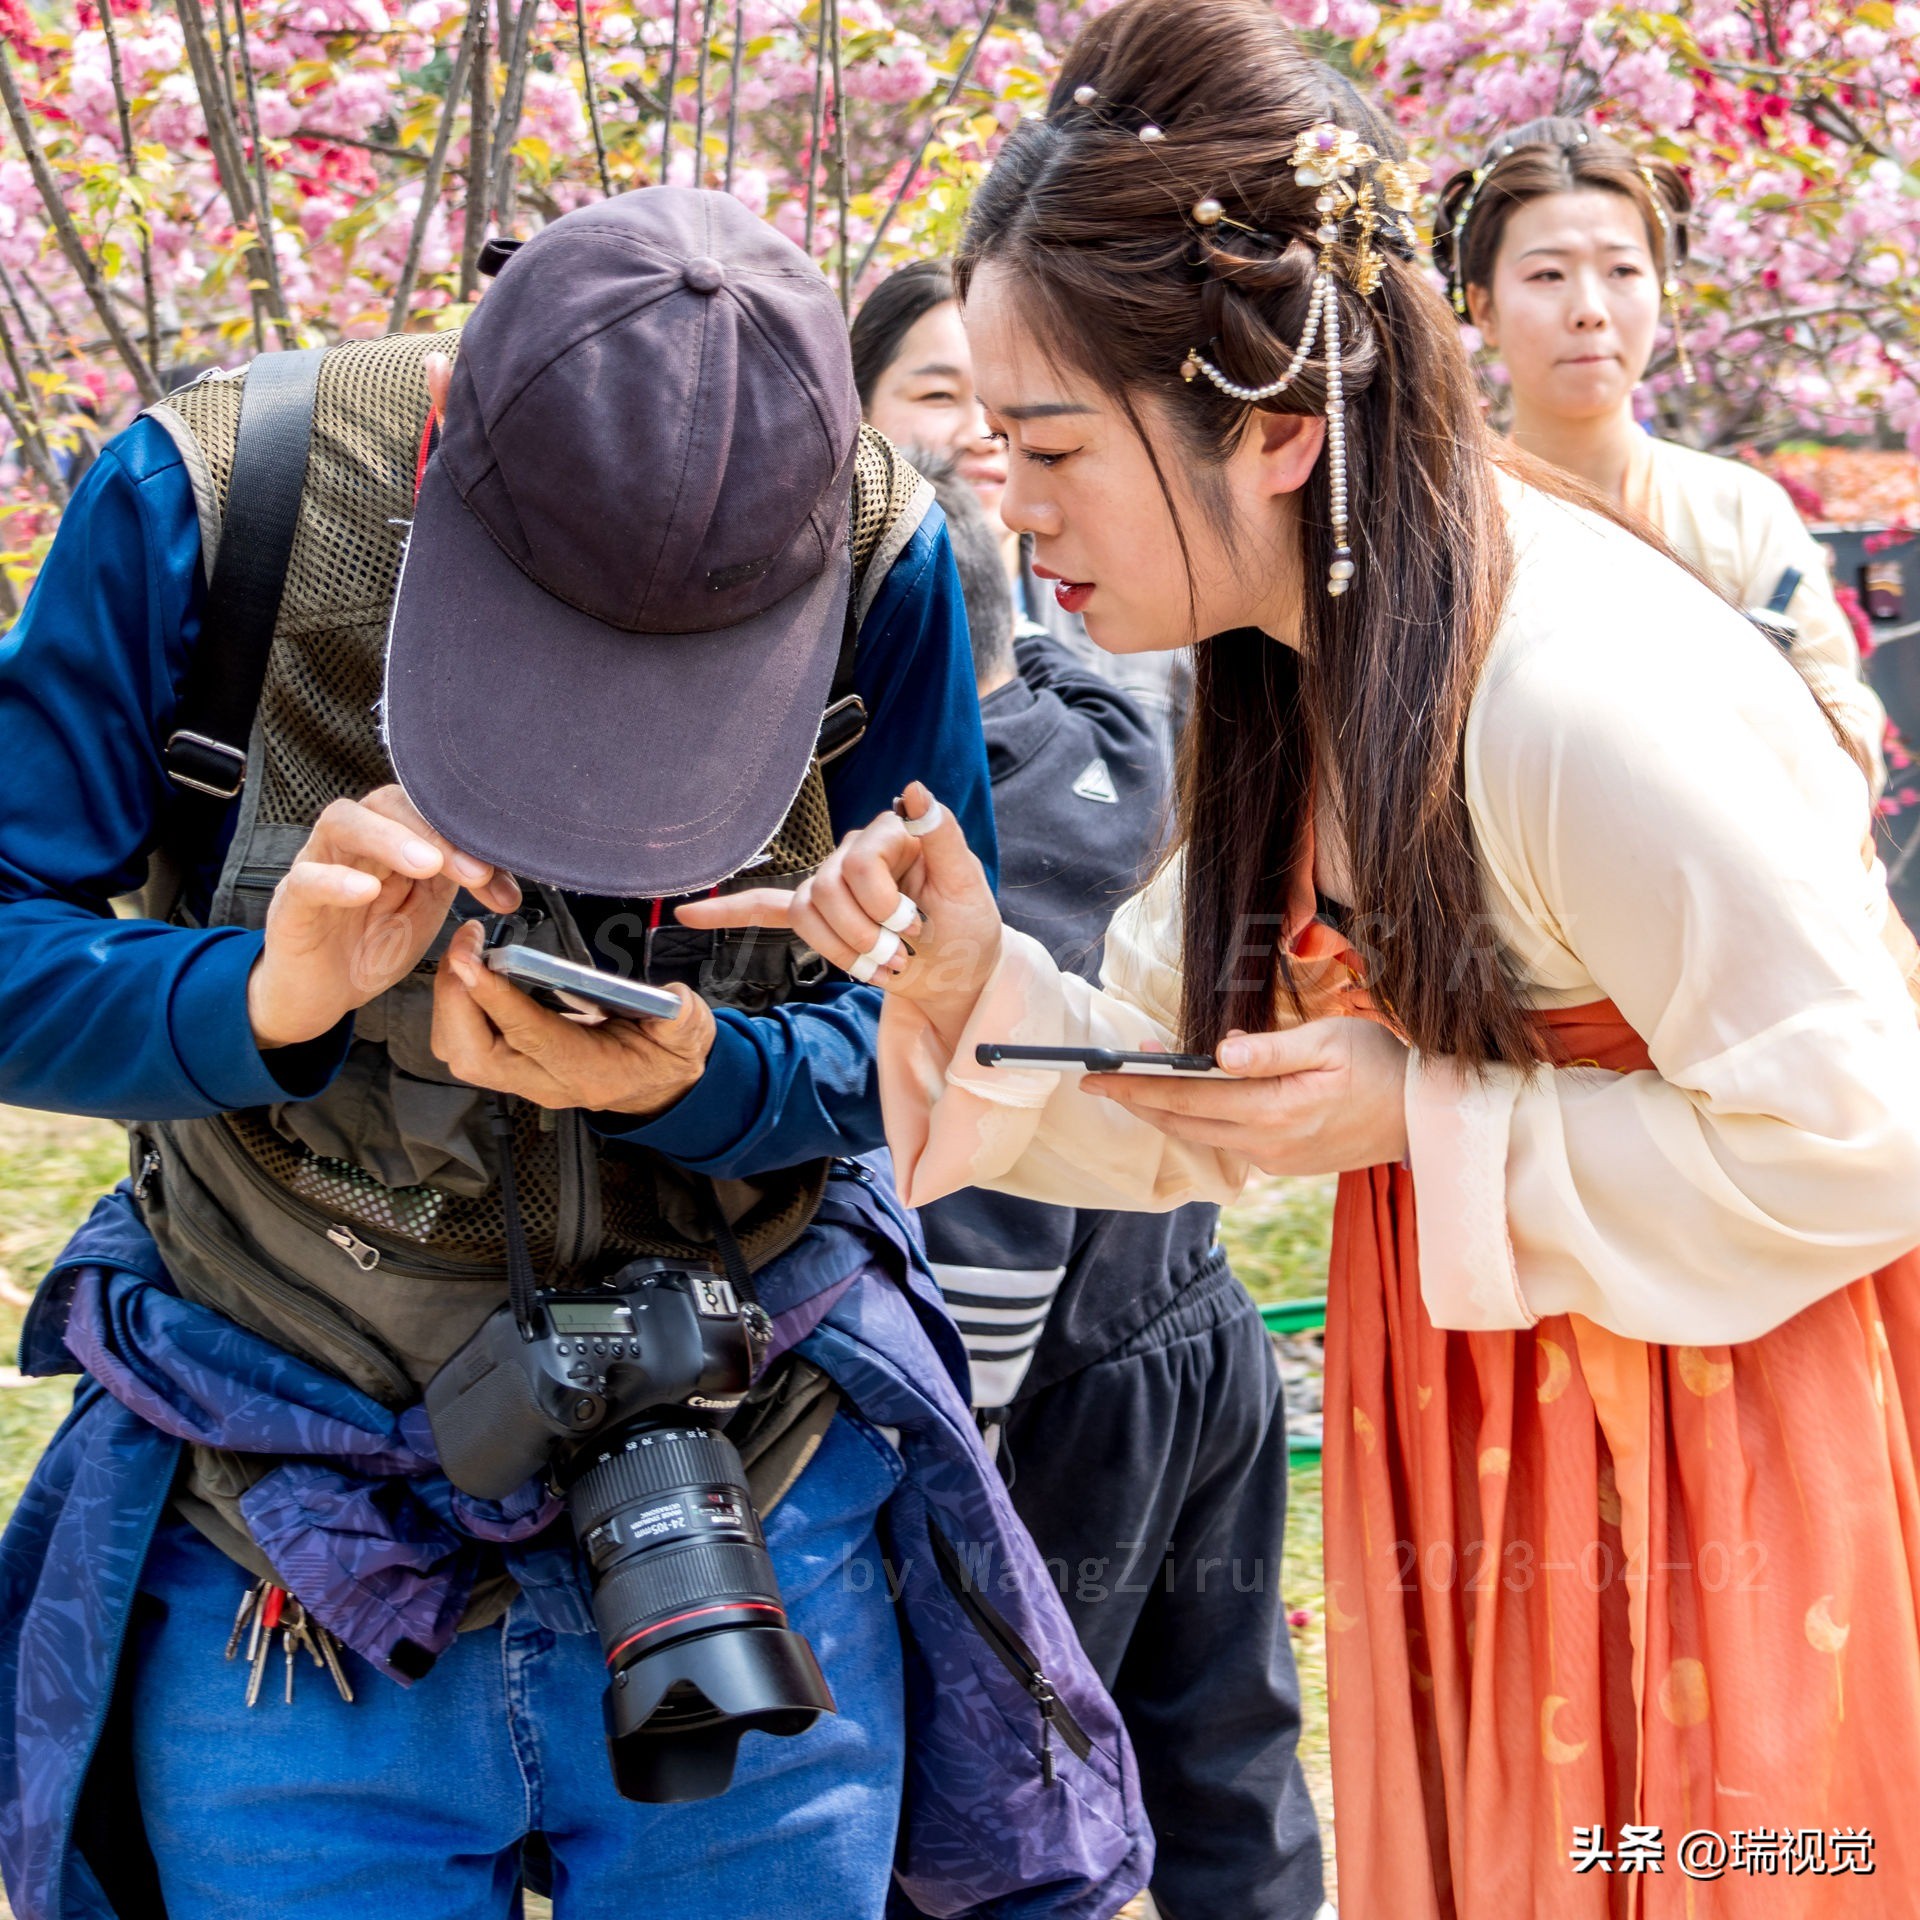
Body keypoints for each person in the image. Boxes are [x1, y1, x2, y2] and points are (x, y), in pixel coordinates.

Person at [698, 3, 1920, 1910]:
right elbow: (1231, 1099)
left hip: (1710, 1446)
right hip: (1490, 1397)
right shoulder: (1299, 666)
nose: (1009, 509)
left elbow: (1865, 1139)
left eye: (1051, 447)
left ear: (1269, 426)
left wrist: (1423, 1117)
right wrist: (974, 997)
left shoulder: (1571, 704)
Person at [0, 188, 1149, 1920]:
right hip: (283, 1511)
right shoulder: (206, 505)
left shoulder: (882, 553)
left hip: (745, 1494)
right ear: (445, 438)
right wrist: (259, 999)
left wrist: (705, 1076)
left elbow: (928, 1022)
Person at [876, 436, 1326, 1918]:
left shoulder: (951, 845)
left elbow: (991, 1234)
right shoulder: (1108, 725)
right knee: (1225, 1754)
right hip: (1194, 1316)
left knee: (1019, 1774)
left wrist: (960, 1463)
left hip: (1055, 1384)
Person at [1435, 118, 1887, 790]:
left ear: (1662, 289)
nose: (1589, 309)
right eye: (1548, 274)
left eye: (1621, 269)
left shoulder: (1740, 509)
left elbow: (1848, 733)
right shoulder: (1440, 518)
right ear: (1483, 306)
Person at [853, 257, 1189, 759]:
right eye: (938, 395)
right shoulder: (804, 649)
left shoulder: (1143, 644)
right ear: (857, 412)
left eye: (1015, 404)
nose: (981, 436)